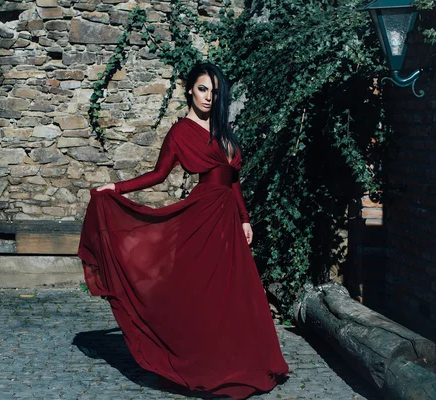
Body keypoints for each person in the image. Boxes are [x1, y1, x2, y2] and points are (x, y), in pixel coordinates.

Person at [78, 62, 289, 399]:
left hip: (228, 222)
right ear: (190, 89)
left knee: (234, 293)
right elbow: (158, 174)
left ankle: (240, 361)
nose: (208, 96)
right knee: (201, 293)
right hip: (202, 217)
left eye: (214, 91)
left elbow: (232, 182)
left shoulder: (222, 130)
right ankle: (199, 362)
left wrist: (245, 219)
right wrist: (116, 189)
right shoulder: (180, 132)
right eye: (203, 89)